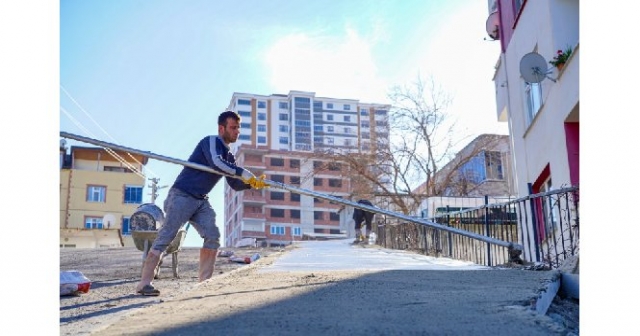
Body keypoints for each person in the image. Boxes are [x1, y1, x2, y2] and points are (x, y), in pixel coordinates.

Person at [136, 110, 257, 296]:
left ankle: (204, 284)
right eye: (233, 128)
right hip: (182, 196)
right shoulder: (210, 142)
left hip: (200, 201)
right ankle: (144, 284)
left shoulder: (230, 157)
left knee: (212, 235)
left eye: (238, 128)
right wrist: (241, 171)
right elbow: (216, 163)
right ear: (221, 128)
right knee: (167, 236)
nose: (236, 132)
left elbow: (233, 183)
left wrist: (250, 184)